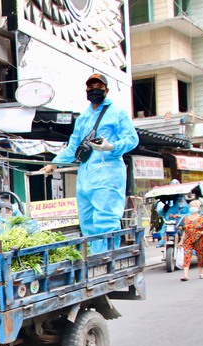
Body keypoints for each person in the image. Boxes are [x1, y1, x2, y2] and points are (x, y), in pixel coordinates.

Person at [40, 73, 139, 253]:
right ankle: (95, 258)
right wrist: (54, 163)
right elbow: (73, 147)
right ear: (86, 90)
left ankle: (108, 259)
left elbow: (132, 139)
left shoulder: (117, 113)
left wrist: (111, 146)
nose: (94, 90)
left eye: (99, 87)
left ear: (106, 91)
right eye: (91, 87)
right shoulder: (82, 118)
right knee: (87, 222)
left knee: (106, 221)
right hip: (85, 177)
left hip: (107, 175)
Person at [177, 200, 203, 281]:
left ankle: (201, 273)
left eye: (195, 206)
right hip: (188, 240)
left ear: (199, 208)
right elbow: (185, 231)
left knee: (201, 256)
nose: (193, 208)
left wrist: (201, 232)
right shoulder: (186, 219)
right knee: (187, 256)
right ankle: (185, 275)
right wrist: (181, 241)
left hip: (200, 239)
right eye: (192, 206)